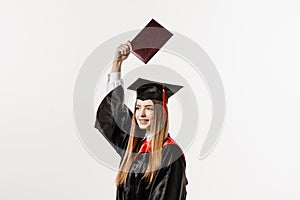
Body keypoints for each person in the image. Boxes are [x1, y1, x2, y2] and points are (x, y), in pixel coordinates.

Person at [94, 41, 188, 200]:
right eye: (137, 107)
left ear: (161, 113)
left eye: (149, 108)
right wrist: (117, 63)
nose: (141, 114)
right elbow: (113, 113)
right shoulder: (134, 144)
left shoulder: (170, 153)